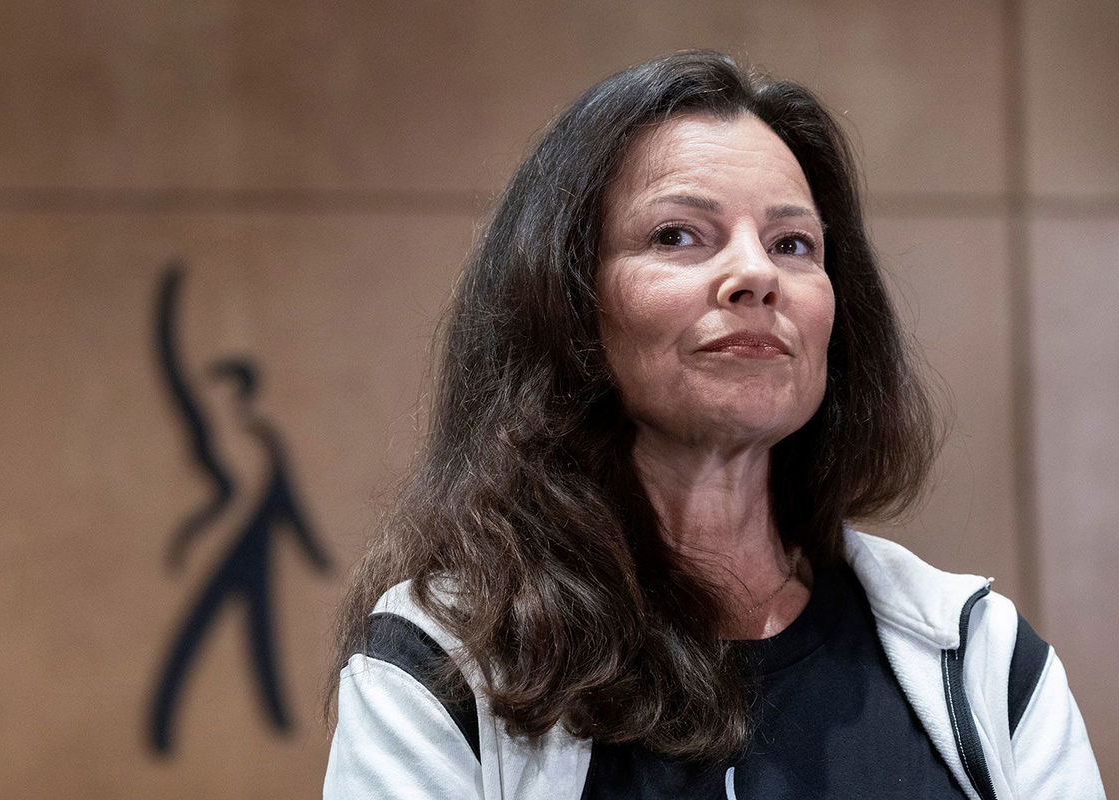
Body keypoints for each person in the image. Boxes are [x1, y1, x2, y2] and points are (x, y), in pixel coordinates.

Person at [322, 51, 1103, 799]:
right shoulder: (441, 659)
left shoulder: (986, 661)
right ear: (567, 304)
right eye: (678, 236)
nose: (756, 275)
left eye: (792, 244)